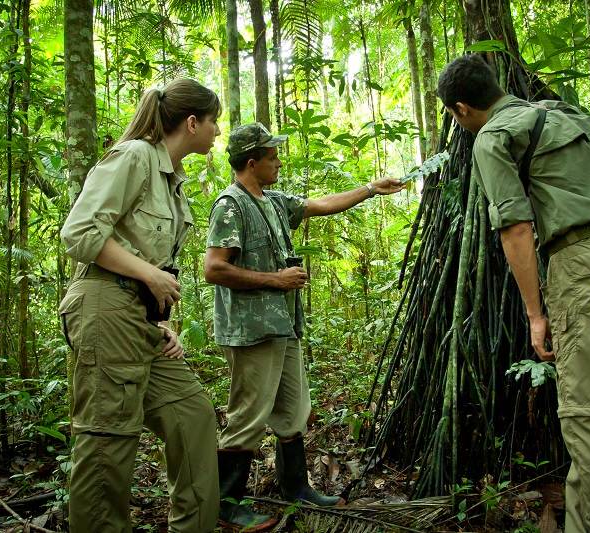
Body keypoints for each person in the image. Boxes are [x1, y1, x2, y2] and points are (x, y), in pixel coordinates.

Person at [436, 54, 590, 533]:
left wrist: (535, 314)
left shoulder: (492, 137)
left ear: (461, 109)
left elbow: (516, 227)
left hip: (588, 266)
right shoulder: (564, 112)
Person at [203, 122, 403, 530]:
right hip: (252, 331)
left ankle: (295, 486)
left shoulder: (273, 202)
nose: (279, 162)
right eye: (273, 157)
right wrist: (276, 279)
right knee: (249, 414)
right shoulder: (230, 205)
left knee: (293, 410)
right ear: (252, 162)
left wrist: (370, 189)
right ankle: (224, 503)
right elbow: (214, 268)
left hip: (283, 326)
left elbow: (319, 204)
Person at [59, 78, 222, 533]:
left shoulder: (172, 182)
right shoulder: (134, 156)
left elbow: (148, 258)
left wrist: (159, 320)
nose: (217, 133)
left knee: (191, 415)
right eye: (214, 123)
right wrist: (148, 275)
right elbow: (80, 233)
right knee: (108, 438)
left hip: (139, 319)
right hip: (103, 307)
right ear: (192, 123)